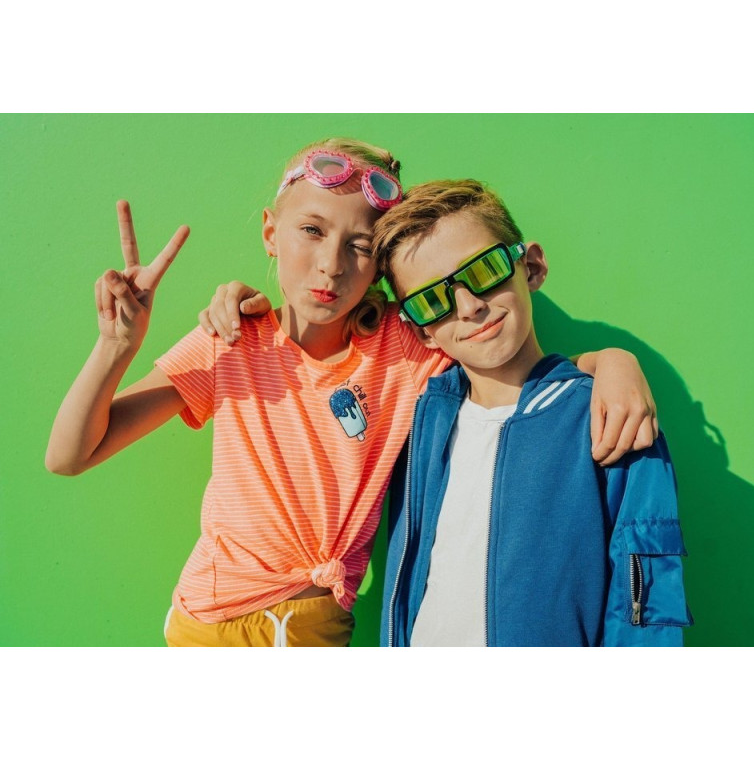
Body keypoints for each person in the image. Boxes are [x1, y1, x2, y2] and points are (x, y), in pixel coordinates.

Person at [47, 138, 660, 647]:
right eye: (311, 230)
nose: (331, 264)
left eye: (359, 246)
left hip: (319, 628)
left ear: (380, 270)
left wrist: (612, 362)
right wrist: (116, 346)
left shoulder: (408, 341)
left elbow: (500, 354)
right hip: (208, 622)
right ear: (270, 232)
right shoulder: (228, 341)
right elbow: (70, 455)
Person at [368, 179, 692, 646]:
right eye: (431, 300)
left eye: (484, 271)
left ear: (531, 266)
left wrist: (614, 361)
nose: (469, 306)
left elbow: (648, 606)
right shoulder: (416, 423)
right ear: (420, 330)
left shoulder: (612, 416)